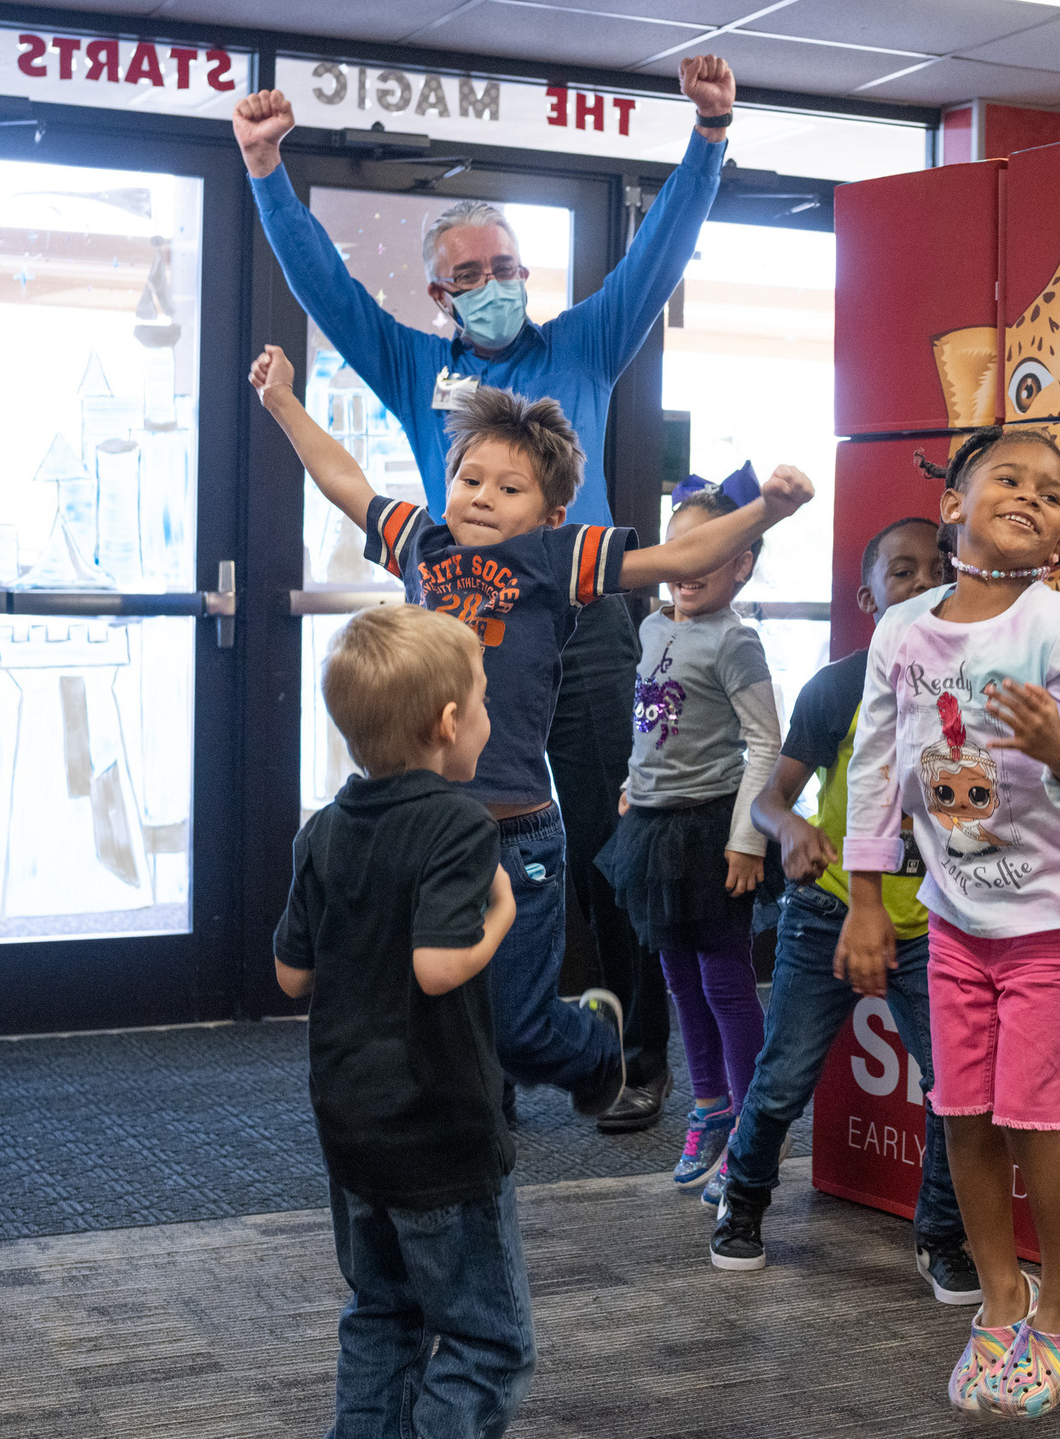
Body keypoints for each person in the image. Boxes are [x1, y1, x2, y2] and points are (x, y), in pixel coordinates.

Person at [234, 54, 738, 1132]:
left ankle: (632, 1054)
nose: (495, 279)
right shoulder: (416, 367)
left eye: (506, 262)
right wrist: (268, 171)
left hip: (589, 617)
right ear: (440, 292)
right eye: (470, 270)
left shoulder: (586, 344)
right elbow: (326, 289)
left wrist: (706, 141)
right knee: (467, 835)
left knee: (614, 840)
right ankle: (488, 1058)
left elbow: (658, 257)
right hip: (462, 633)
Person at [252, 344, 811, 1128]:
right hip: (421, 824)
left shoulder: (556, 556)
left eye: (509, 488)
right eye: (469, 480)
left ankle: (597, 1038)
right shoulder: (422, 543)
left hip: (516, 833)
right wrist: (282, 400)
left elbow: (677, 555)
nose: (481, 498)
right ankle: (471, 1122)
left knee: (518, 1025)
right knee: (437, 1006)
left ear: (550, 512)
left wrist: (766, 511)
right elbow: (346, 481)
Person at [840, 426, 1060, 1420]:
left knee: (1032, 1117)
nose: (1030, 495)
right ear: (954, 506)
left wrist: (1056, 744)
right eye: (1006, 478)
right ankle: (999, 1299)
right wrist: (862, 901)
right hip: (956, 913)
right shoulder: (902, 631)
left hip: (1057, 915)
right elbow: (877, 771)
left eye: (1052, 492)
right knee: (961, 1113)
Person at [273, 603, 531, 1435]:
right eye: (485, 703)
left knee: (382, 1313)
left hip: (349, 1126)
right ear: (448, 722)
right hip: (440, 1133)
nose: (488, 720)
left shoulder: (323, 829)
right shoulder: (460, 823)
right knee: (486, 1340)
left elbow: (290, 973)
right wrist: (503, 914)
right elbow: (437, 965)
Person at [708, 514, 978, 1304]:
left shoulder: (979, 684)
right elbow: (769, 799)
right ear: (869, 596)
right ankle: (744, 1197)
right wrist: (788, 829)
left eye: (938, 568)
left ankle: (941, 1235)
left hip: (935, 924)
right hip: (825, 912)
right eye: (903, 571)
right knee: (785, 1074)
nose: (924, 582)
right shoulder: (837, 686)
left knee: (954, 1090)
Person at [593, 475, 782, 1195]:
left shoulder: (737, 641)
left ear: (744, 562)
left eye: (713, 551)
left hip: (711, 831)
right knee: (676, 975)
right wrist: (632, 787)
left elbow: (765, 741)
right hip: (651, 827)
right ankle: (709, 1105)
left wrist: (748, 839)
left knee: (725, 979)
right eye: (678, 548)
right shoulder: (651, 627)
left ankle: (750, 1129)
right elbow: (651, 727)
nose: (691, 565)